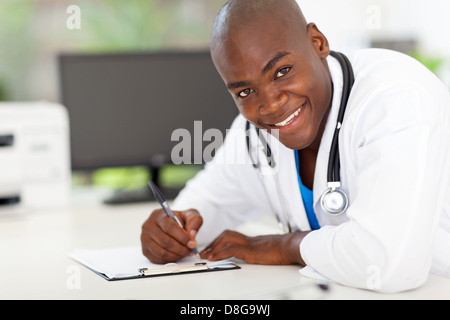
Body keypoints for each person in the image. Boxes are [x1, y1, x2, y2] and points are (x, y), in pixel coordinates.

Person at [141, 0, 450, 293]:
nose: (270, 105)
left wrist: (284, 246)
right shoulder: (254, 133)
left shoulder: (396, 98)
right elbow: (206, 206)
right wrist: (171, 232)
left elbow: (389, 263)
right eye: (245, 91)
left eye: (282, 71)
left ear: (317, 42)